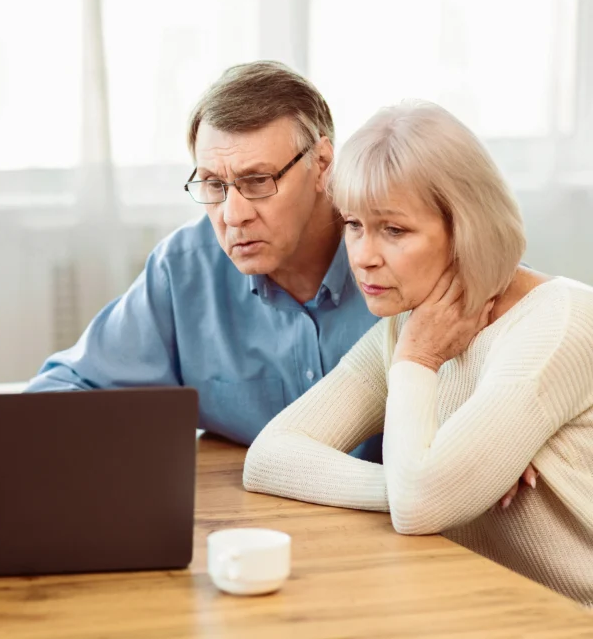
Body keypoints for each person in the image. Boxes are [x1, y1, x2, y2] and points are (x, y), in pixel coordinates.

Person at [243, 100, 593, 607]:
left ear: (466, 227)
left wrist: (419, 368)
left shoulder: (559, 324)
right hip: (480, 606)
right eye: (354, 224)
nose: (362, 256)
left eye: (394, 230)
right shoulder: (413, 326)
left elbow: (420, 508)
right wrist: (437, 481)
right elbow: (269, 457)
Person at [28, 61, 383, 460]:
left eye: (258, 181)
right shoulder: (183, 271)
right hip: (248, 517)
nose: (233, 215)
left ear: (321, 164)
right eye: (215, 184)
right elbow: (57, 394)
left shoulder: (391, 257)